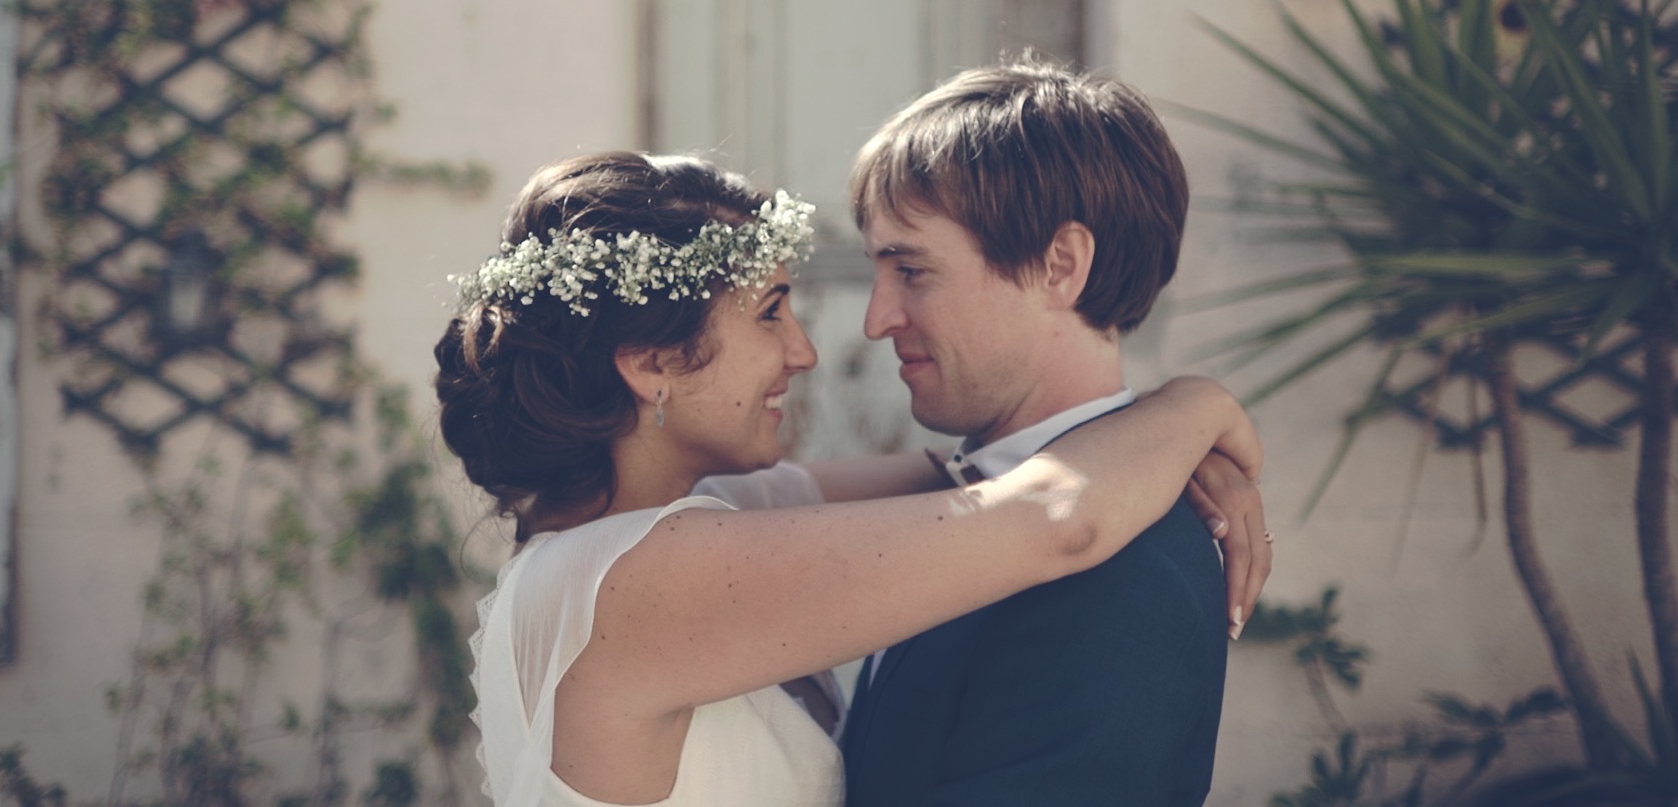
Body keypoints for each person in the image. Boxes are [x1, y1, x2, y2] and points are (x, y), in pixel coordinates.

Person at [436, 150, 1266, 807]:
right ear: (653, 364)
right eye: (769, 313)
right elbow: (1054, 515)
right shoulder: (633, 583)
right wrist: (1198, 404)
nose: (803, 352)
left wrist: (1155, 442)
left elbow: (973, 471)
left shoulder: (696, 519)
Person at [838, 55, 1252, 805]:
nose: (876, 320)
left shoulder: (1128, 573)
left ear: (1060, 265)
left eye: (913, 271)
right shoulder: (975, 489)